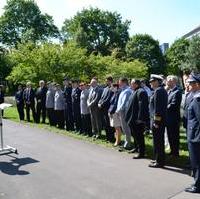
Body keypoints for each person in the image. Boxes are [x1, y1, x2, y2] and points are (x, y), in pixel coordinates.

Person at [125, 79, 149, 159]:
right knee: (135, 135)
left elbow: (142, 107)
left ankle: (141, 152)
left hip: (137, 119)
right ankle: (136, 148)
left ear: (136, 84)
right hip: (132, 118)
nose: (130, 85)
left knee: (139, 136)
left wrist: (140, 118)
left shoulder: (141, 92)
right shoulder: (135, 91)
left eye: (131, 83)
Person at [185, 72, 200, 194]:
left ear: (197, 85)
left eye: (190, 83)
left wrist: (196, 137)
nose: (188, 85)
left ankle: (197, 185)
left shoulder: (198, 100)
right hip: (194, 135)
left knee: (197, 162)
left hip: (196, 137)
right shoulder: (194, 97)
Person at [148, 74, 168, 168]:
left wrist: (156, 122)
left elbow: (158, 109)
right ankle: (157, 159)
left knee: (159, 141)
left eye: (152, 81)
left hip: (158, 121)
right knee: (157, 141)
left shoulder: (159, 91)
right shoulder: (158, 90)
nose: (150, 83)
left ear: (157, 82)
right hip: (156, 120)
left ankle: (160, 161)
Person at [166, 75, 182, 157]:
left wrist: (163, 108)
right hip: (168, 118)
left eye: (169, 80)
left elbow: (173, 105)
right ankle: (172, 151)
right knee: (169, 135)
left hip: (174, 118)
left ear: (174, 82)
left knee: (174, 136)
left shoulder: (177, 92)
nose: (167, 82)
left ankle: (175, 152)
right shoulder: (169, 91)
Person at [116, 77, 132, 150]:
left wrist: (118, 110)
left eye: (120, 82)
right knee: (124, 128)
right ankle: (126, 142)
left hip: (124, 112)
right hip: (121, 111)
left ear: (124, 82)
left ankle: (128, 144)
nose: (119, 84)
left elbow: (124, 103)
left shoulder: (127, 91)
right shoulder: (123, 90)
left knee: (126, 128)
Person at [98, 76, 115, 142]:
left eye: (107, 81)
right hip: (103, 108)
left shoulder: (112, 88)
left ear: (110, 81)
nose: (106, 82)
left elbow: (108, 98)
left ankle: (111, 138)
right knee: (105, 124)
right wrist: (99, 103)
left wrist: (101, 104)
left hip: (108, 108)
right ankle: (107, 137)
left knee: (109, 124)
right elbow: (102, 97)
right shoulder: (105, 88)